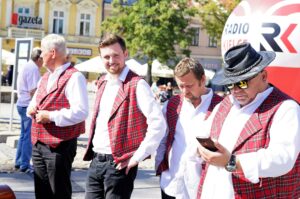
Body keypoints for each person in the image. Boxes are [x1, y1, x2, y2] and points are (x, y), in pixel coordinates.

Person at [197, 42, 300, 198]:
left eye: (242, 83)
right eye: (231, 84)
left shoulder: (286, 108)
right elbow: (203, 133)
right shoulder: (227, 103)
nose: (236, 90)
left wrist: (231, 162)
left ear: (263, 76)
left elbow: (282, 159)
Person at [83, 34, 167, 199]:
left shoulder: (137, 84)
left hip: (119, 164)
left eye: (116, 55)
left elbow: (158, 125)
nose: (111, 60)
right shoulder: (103, 82)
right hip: (96, 160)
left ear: (125, 54)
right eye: (106, 57)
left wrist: (137, 157)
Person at [27, 34, 89, 199]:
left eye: (42, 52)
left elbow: (81, 111)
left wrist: (51, 116)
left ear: (52, 53)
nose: (40, 56)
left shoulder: (74, 77)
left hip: (60, 145)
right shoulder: (45, 77)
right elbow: (32, 103)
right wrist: (31, 108)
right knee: (42, 192)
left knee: (59, 193)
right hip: (38, 143)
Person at [155, 58, 222, 199]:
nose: (184, 91)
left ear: (202, 79)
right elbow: (163, 138)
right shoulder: (172, 105)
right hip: (171, 184)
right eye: (180, 86)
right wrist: (160, 167)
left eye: (189, 86)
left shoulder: (222, 107)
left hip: (204, 188)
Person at [15, 47, 43, 173]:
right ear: (39, 58)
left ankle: (19, 161)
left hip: (21, 103)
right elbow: (33, 91)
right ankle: (25, 164)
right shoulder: (33, 69)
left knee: (23, 135)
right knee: (28, 136)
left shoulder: (28, 66)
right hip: (27, 104)